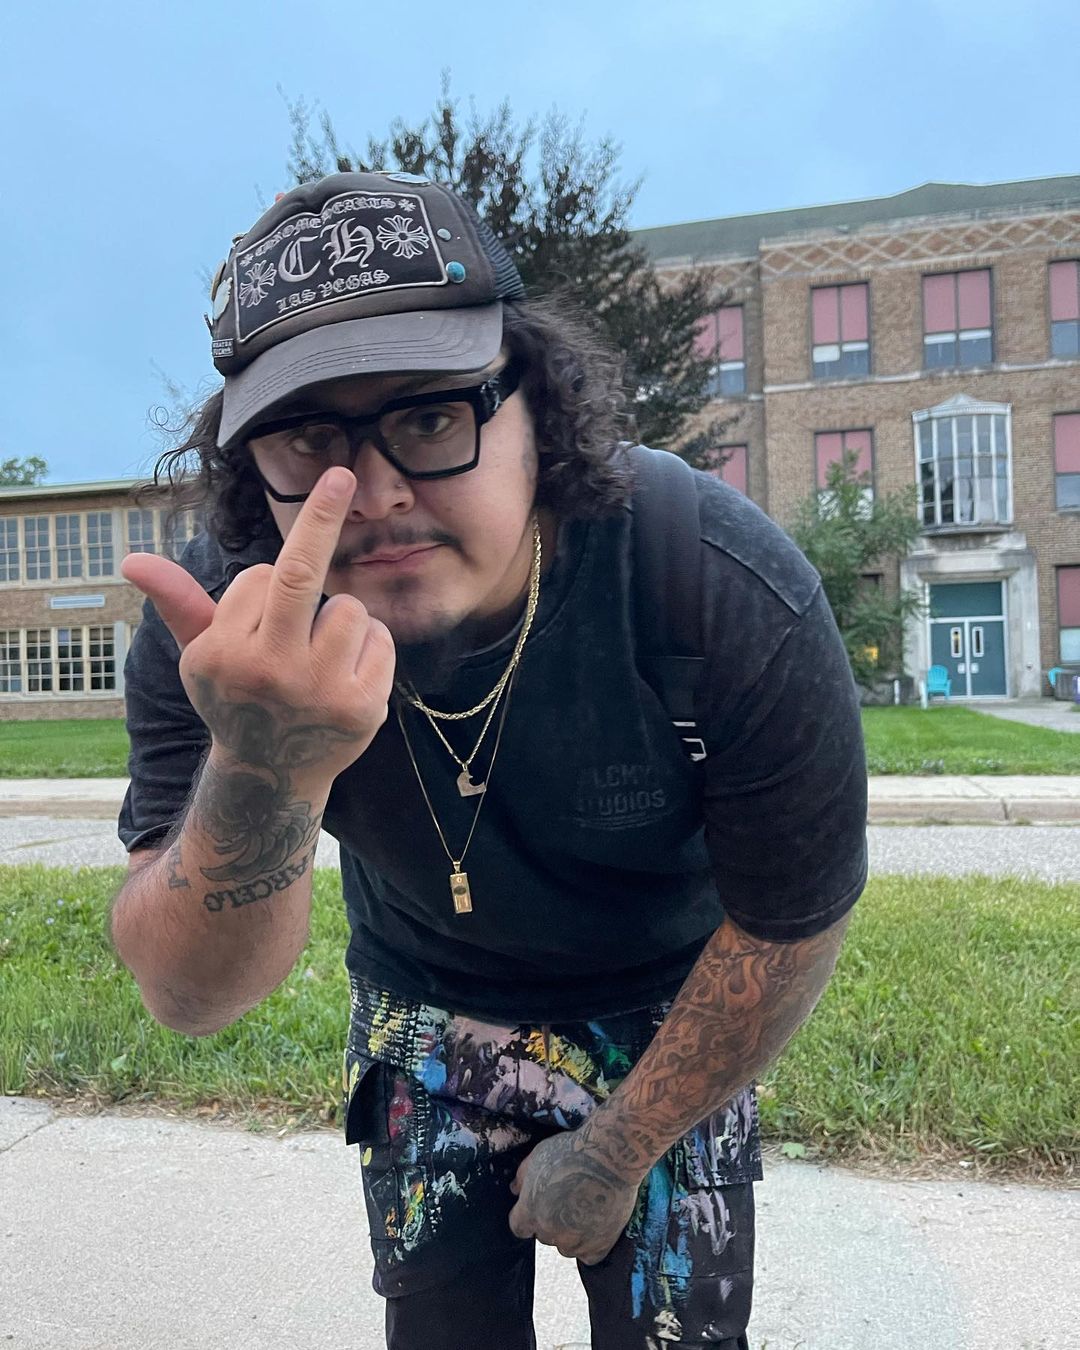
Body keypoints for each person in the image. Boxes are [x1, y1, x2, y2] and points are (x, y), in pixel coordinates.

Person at [112, 171, 867, 1350]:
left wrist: (615, 1152)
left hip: (672, 1009)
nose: (373, 495)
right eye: (309, 438)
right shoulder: (219, 634)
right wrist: (266, 768)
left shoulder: (714, 582)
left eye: (430, 418)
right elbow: (190, 996)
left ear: (539, 412)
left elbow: (789, 925)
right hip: (422, 1001)